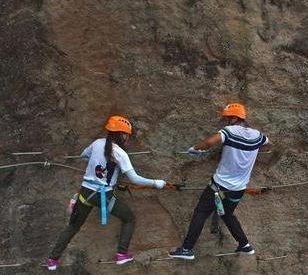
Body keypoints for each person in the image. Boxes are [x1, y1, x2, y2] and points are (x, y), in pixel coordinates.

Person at [46, 115, 167, 271]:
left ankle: (52, 260)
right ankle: (121, 254)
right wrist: (156, 183)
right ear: (122, 135)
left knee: (73, 227)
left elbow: (84, 155)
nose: (127, 138)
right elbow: (135, 179)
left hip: (85, 192)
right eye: (127, 135)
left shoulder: (97, 143)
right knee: (129, 218)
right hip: (103, 195)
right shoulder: (120, 154)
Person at [169, 103, 270, 260]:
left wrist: (194, 149)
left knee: (201, 212)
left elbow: (210, 142)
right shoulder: (257, 135)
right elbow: (268, 144)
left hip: (219, 185)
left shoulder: (229, 131)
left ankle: (187, 249)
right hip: (238, 189)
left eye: (227, 118)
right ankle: (245, 245)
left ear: (235, 118)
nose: (226, 122)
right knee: (227, 214)